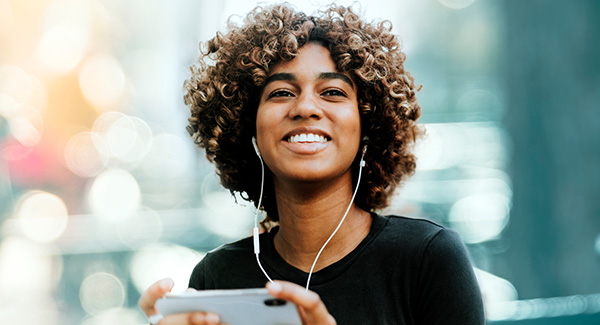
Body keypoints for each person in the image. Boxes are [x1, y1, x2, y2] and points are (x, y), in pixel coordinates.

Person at [139, 3, 485, 324]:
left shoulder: (427, 258)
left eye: (332, 92)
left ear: (368, 125)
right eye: (281, 93)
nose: (305, 107)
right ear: (249, 129)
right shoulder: (217, 277)